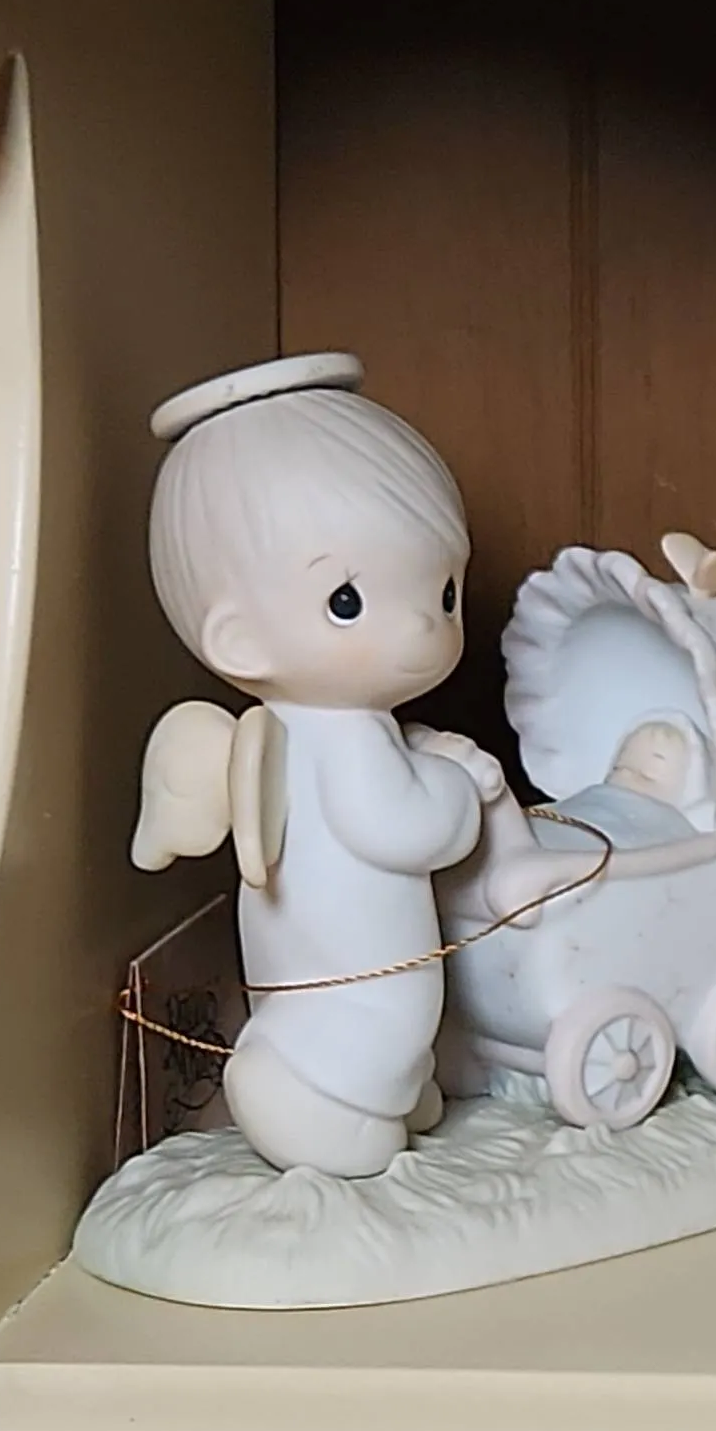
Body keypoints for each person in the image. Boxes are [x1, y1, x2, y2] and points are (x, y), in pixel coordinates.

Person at [136, 353, 497, 1175]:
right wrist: (457, 785)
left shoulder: (294, 732)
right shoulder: (348, 737)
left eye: (443, 594)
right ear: (239, 640)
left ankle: (388, 1089)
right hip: (359, 986)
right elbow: (409, 830)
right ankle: (320, 1098)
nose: (425, 627)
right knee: (379, 1014)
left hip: (309, 974)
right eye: (348, 602)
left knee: (373, 1013)